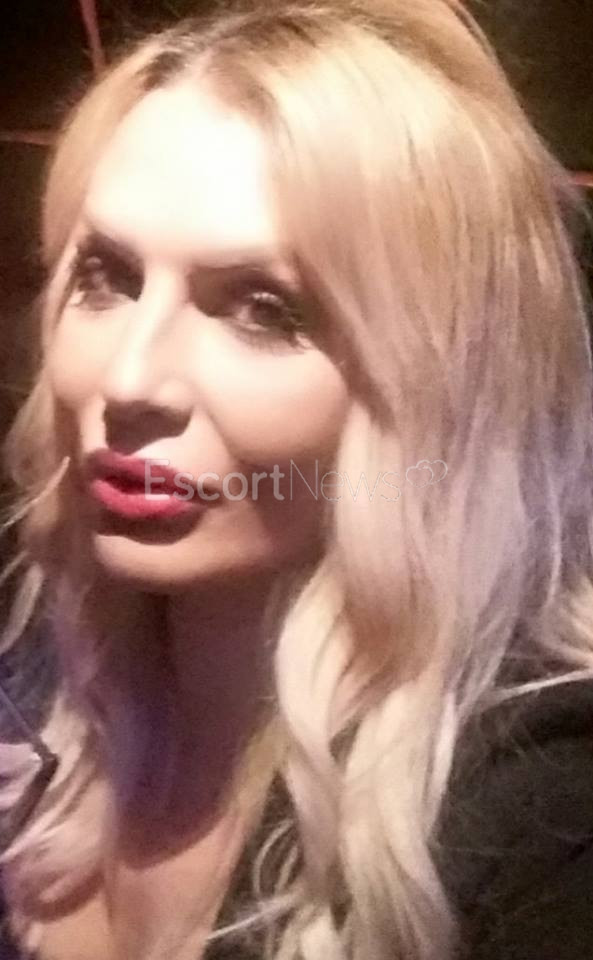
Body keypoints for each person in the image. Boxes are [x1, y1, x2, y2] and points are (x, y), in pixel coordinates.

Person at [1, 1, 593, 958]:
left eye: (264, 309)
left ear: (442, 384)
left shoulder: (538, 819)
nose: (130, 381)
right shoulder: (44, 666)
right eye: (107, 276)